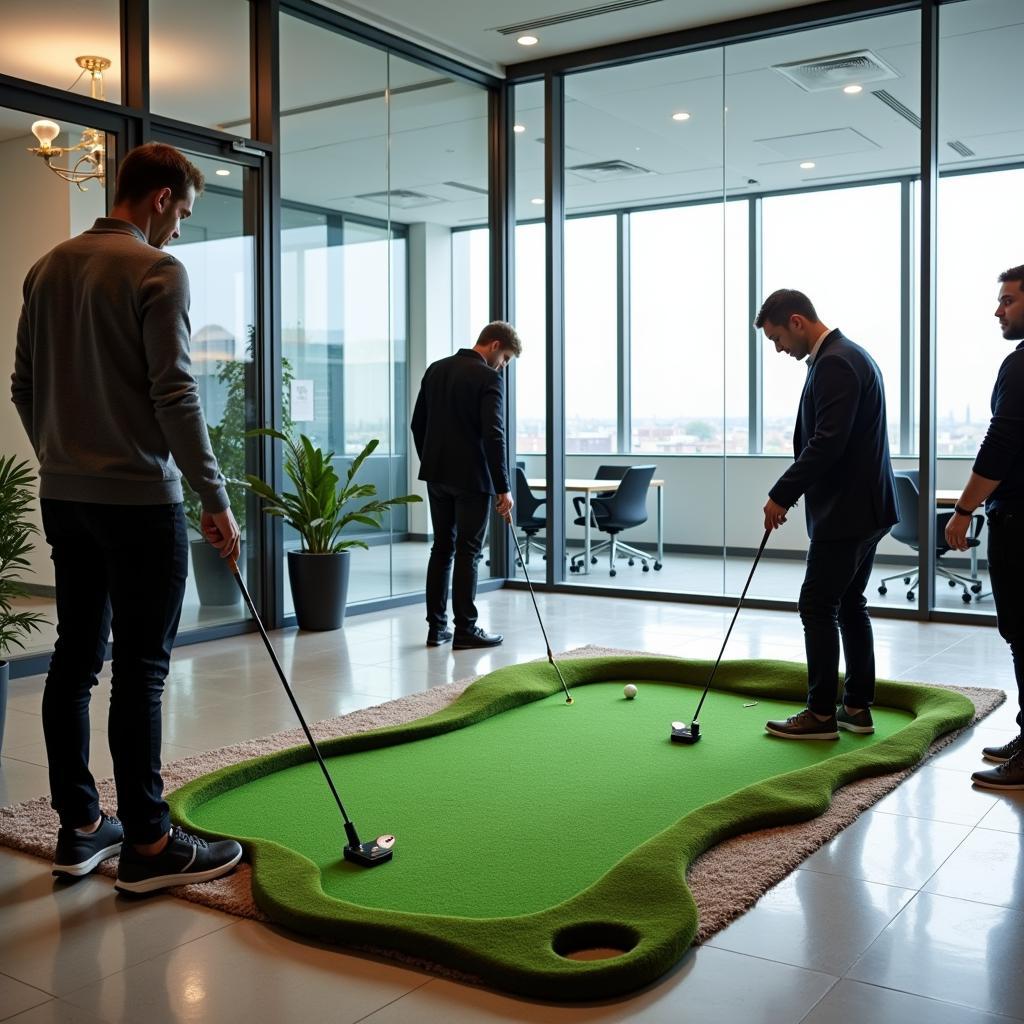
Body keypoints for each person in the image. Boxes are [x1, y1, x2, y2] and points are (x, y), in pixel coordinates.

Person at [11, 142, 244, 893]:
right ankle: (148, 844)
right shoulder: (156, 269)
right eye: (182, 212)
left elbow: (23, 384)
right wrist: (214, 497)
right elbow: (175, 395)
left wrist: (62, 448)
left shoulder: (46, 268)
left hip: (66, 496)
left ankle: (81, 828)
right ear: (161, 197)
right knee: (141, 671)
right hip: (140, 501)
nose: (179, 229)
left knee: (75, 661)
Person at [755, 289, 898, 740]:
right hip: (869, 508)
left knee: (817, 605)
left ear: (797, 321)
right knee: (849, 604)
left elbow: (827, 442)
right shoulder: (848, 354)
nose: (779, 349)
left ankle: (819, 715)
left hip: (849, 512)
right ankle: (855, 707)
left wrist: (781, 493)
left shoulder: (835, 361)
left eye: (777, 337)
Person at [946, 266, 1024, 790]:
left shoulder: (1019, 367)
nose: (998, 310)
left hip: (1020, 520)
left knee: (1023, 637)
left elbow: (999, 446)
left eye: (1009, 301)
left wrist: (964, 509)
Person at [411, 322, 520, 649]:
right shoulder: (489, 378)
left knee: (441, 549)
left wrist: (431, 460)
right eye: (505, 358)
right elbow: (494, 434)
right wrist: (503, 487)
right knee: (468, 552)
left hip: (437, 477)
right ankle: (466, 630)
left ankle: (436, 629)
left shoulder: (436, 370)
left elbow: (418, 424)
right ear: (495, 344)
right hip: (473, 479)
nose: (503, 365)